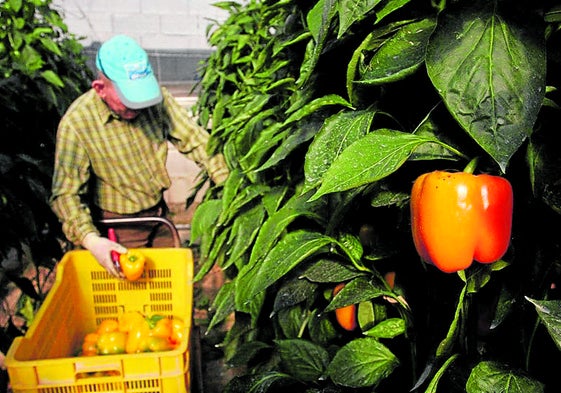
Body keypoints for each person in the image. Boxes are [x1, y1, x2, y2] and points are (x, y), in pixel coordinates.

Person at [50, 35, 229, 278]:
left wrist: (229, 183)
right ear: (100, 89)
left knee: (168, 283)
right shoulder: (78, 123)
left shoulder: (154, 102)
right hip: (117, 227)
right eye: (128, 98)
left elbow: (196, 141)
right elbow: (66, 193)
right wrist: (91, 240)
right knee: (129, 297)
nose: (138, 107)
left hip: (159, 217)